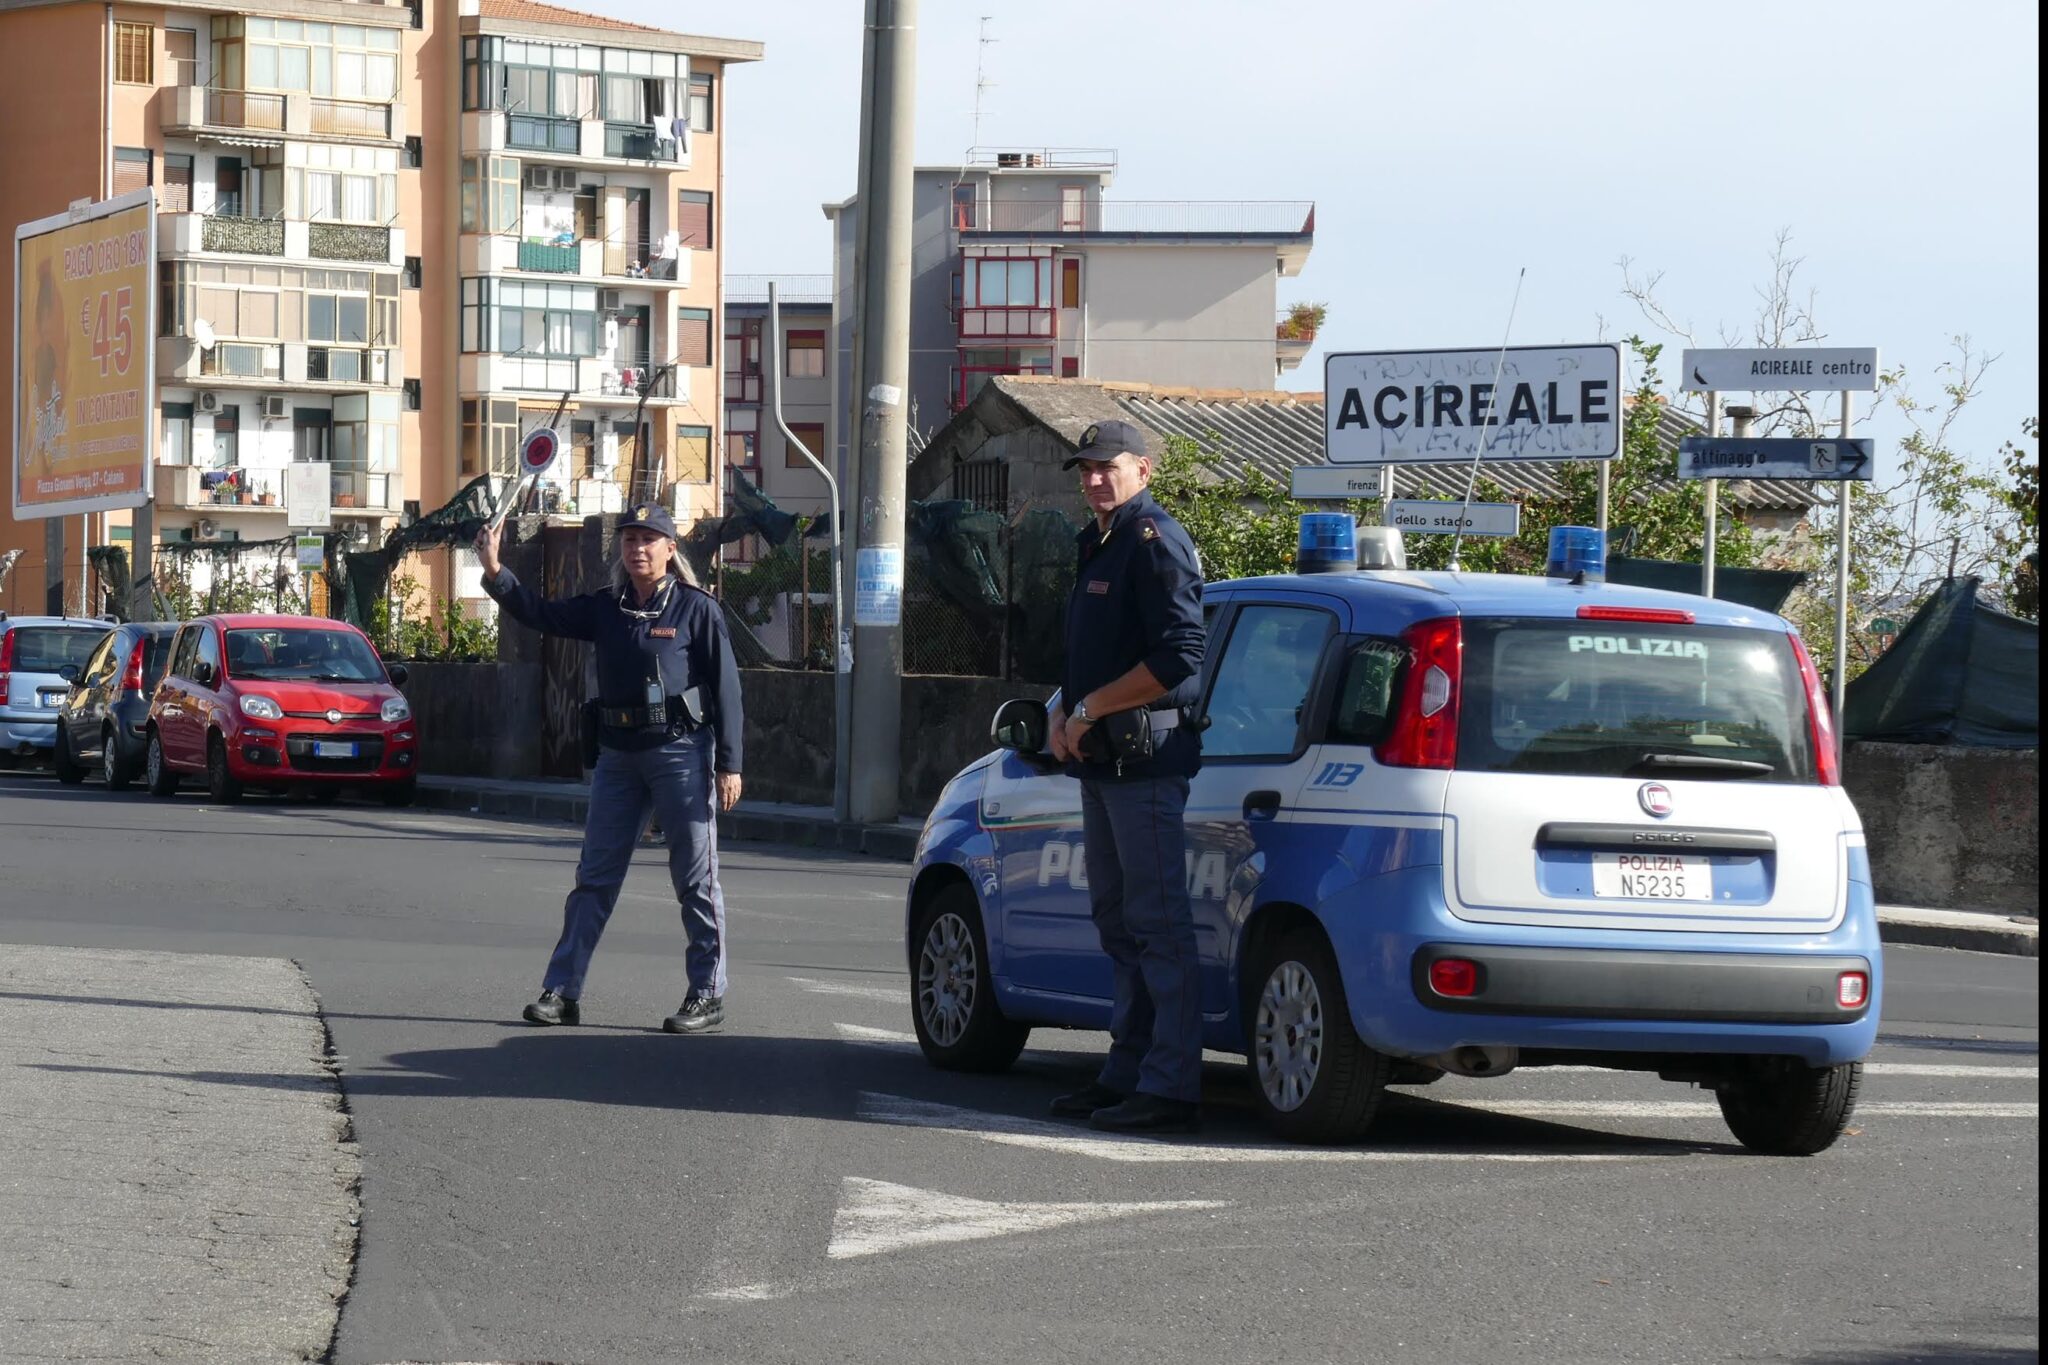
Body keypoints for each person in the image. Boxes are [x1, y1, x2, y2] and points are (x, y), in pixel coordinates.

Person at [473, 503, 744, 1034]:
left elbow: (727, 688)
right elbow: (541, 613)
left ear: (671, 549)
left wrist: (729, 764)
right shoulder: (606, 608)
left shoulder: (695, 609)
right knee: (593, 880)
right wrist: (494, 570)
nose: (637, 548)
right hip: (618, 757)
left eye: (649, 539)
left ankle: (706, 993)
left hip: (680, 751)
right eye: (629, 539)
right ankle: (561, 992)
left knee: (695, 878)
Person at [1044, 420, 1206, 1134]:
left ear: (1143, 468)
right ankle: (1127, 1070)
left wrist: (1088, 708)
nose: (1093, 480)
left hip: (1145, 761)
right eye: (1084, 469)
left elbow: (1182, 654)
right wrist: (1061, 707)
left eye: (1106, 467)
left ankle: (1170, 1084)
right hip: (1102, 758)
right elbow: (1096, 648)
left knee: (1158, 925)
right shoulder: (1099, 540)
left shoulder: (1153, 539)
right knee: (1117, 921)